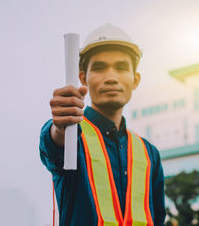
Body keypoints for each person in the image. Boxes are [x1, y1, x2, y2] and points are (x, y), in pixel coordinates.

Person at [39, 23, 166, 226]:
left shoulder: (150, 153)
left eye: (121, 68)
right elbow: (53, 142)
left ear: (135, 80)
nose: (111, 77)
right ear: (83, 78)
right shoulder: (71, 134)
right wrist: (60, 127)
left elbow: (158, 218)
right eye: (99, 68)